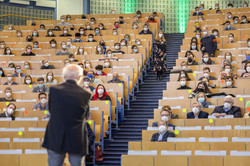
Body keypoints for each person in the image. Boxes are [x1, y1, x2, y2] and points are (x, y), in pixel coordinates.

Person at [42, 64, 91, 166]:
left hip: (56, 134)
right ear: (80, 77)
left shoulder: (54, 90)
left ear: (64, 76)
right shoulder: (85, 94)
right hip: (77, 137)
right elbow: (85, 116)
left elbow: (51, 110)